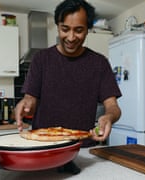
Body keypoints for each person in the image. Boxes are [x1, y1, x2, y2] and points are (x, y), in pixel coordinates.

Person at [15, 0, 122, 174]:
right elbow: (30, 99)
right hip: (43, 148)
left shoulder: (99, 63)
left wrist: (108, 117)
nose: (71, 37)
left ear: (87, 29)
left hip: (81, 151)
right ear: (58, 26)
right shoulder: (41, 59)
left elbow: (113, 107)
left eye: (79, 30)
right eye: (65, 29)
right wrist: (25, 105)